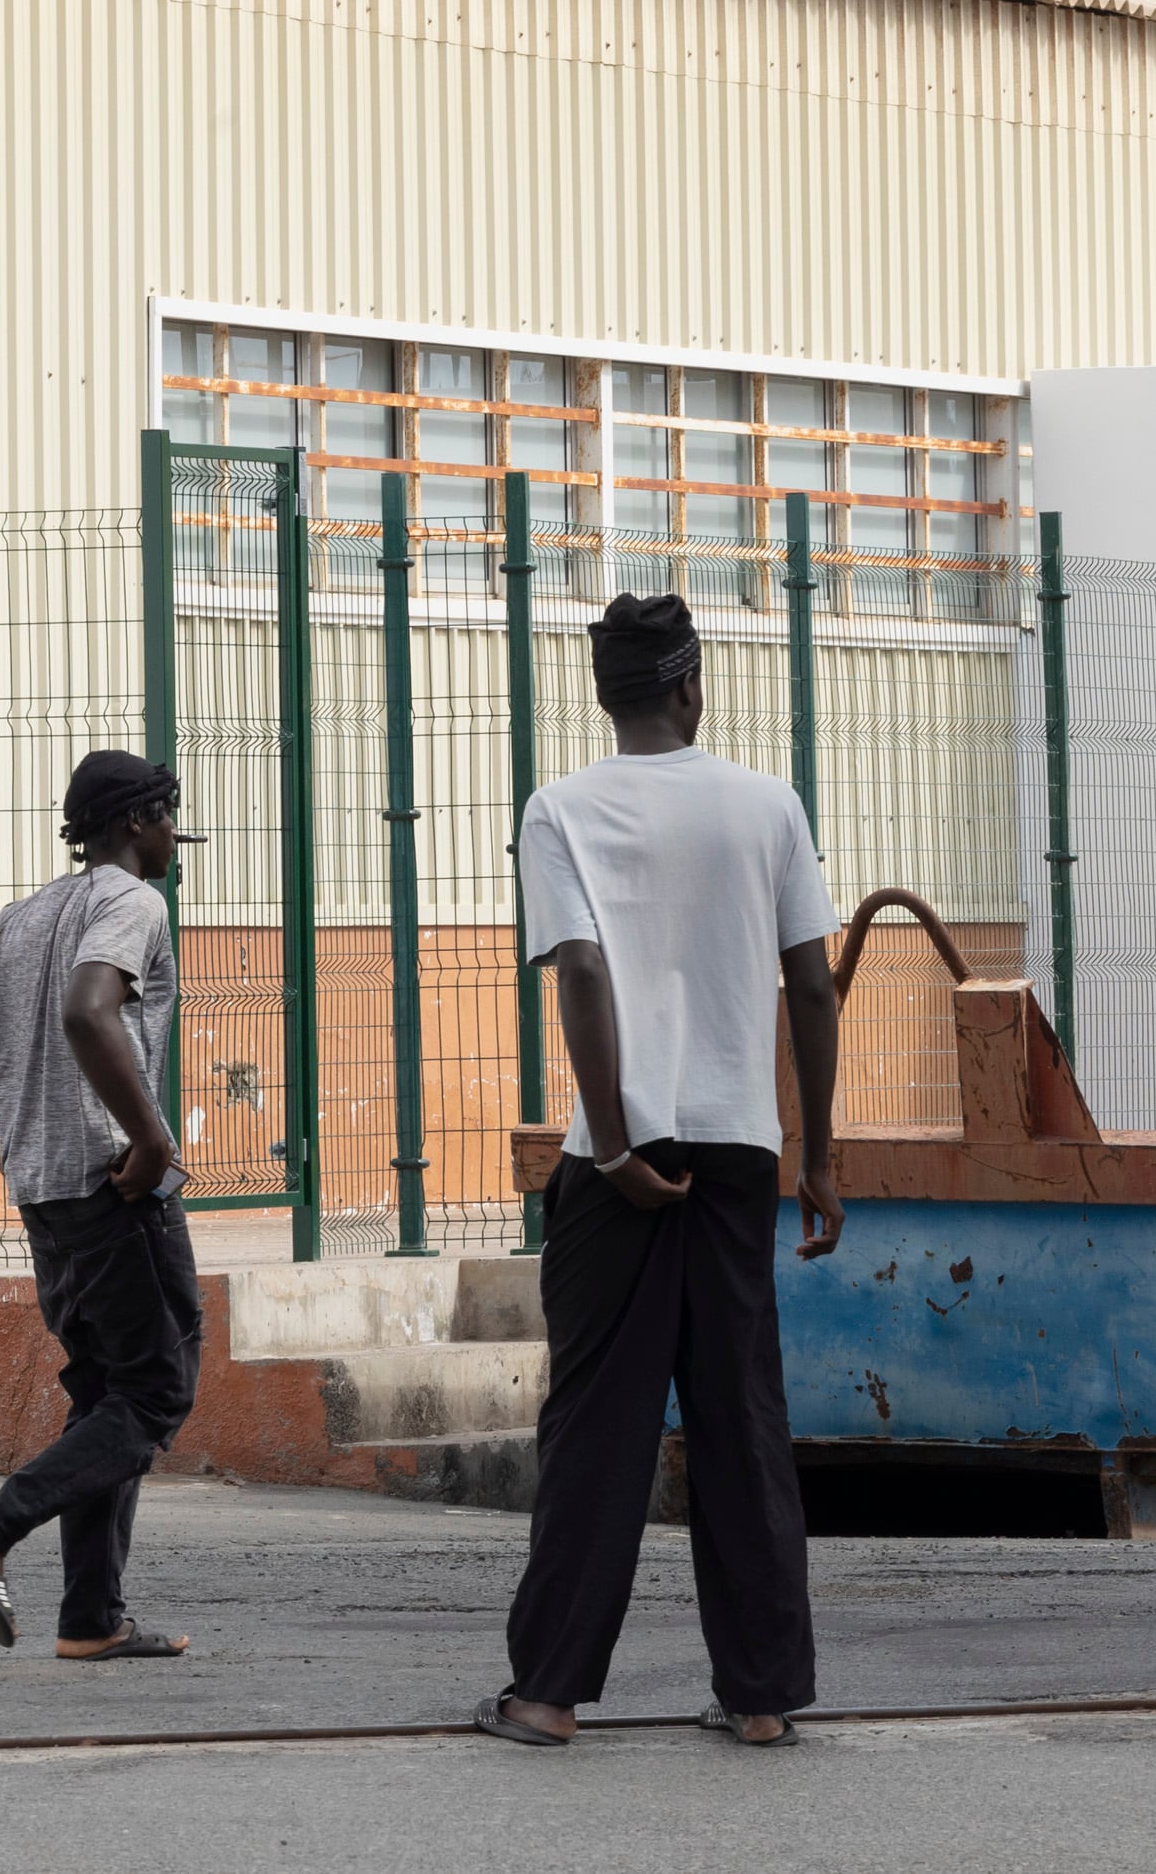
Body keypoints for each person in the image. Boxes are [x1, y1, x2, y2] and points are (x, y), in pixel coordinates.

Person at [478, 592, 846, 1751]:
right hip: (738, 1147)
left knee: (597, 1422)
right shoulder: (767, 805)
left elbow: (580, 974)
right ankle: (762, 1699)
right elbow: (815, 986)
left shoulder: (561, 809)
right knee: (740, 1415)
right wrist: (820, 1156)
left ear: (607, 694)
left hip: (618, 1156)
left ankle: (545, 1695)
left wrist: (618, 1139)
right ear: (692, 687)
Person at [0, 749, 202, 1660]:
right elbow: (88, 1009)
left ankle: (90, 1617)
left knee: (106, 1391)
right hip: (115, 1187)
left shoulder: (24, 917)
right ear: (138, 821)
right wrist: (149, 1139)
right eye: (167, 817)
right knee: (155, 1393)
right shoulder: (132, 901)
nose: (172, 838)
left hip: (47, 1197)